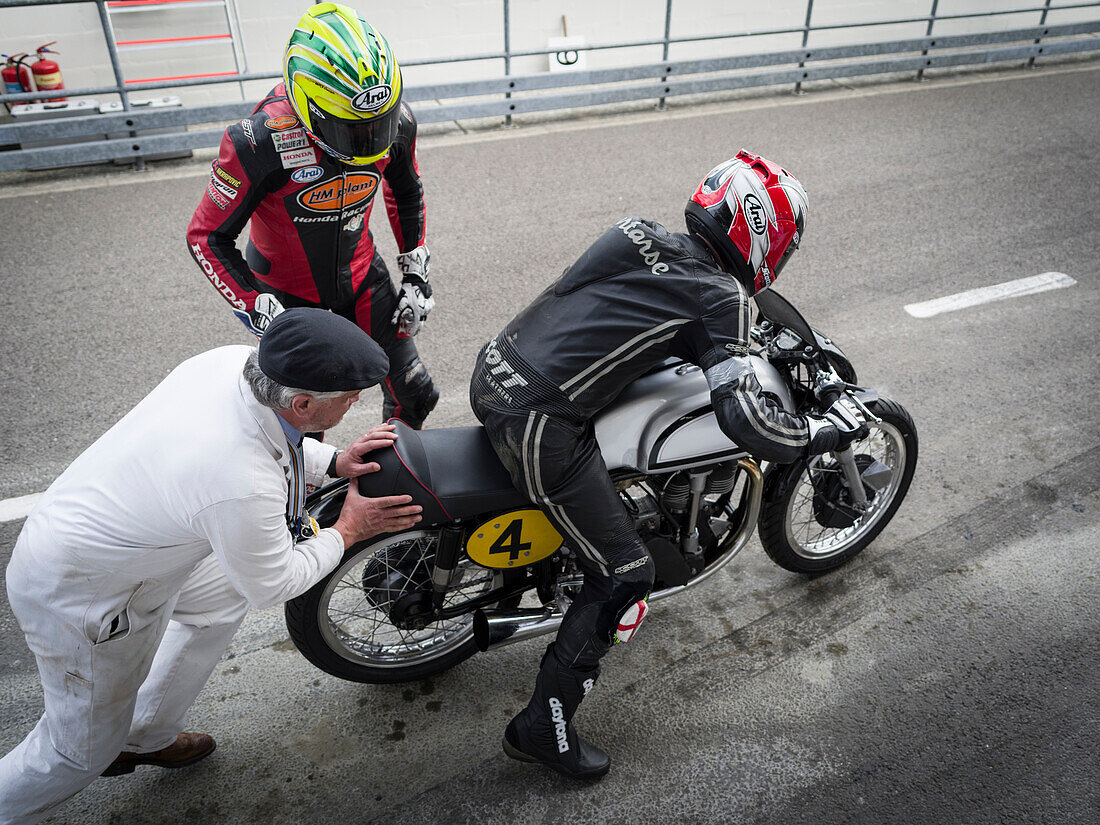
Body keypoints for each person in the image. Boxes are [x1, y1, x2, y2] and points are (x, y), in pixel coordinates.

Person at [469, 150, 867, 779]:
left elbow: (614, 308)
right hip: (540, 423)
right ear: (762, 236)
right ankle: (543, 727)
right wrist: (813, 432)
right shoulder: (720, 297)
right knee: (626, 571)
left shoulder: (635, 232)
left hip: (496, 368)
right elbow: (744, 421)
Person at [0, 308, 423, 825]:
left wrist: (334, 463)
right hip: (86, 597)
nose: (356, 402)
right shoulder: (236, 475)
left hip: (117, 552)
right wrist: (349, 531)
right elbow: (274, 583)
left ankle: (145, 734)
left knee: (222, 592)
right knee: (75, 754)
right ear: (305, 402)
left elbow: (280, 444)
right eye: (349, 397)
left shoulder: (232, 366)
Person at [187, 2, 439, 430]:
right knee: (310, 422)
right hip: (289, 298)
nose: (370, 141)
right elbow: (205, 236)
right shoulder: (257, 141)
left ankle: (389, 483)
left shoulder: (398, 121)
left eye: (379, 124)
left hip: (362, 278)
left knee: (415, 392)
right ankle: (308, 493)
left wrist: (416, 273)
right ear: (307, 106)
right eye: (352, 129)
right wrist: (256, 306)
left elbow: (407, 189)